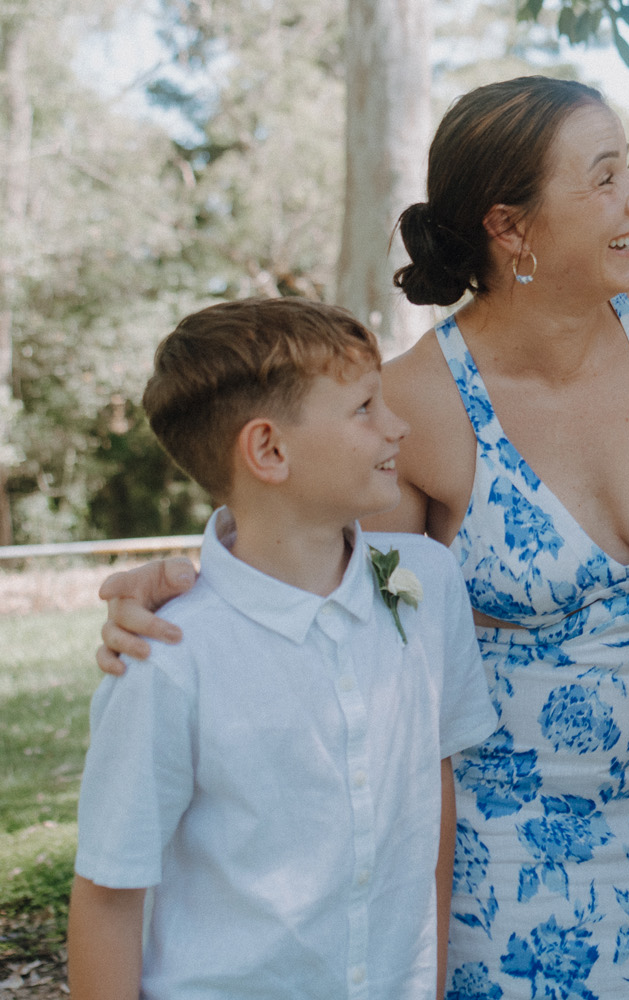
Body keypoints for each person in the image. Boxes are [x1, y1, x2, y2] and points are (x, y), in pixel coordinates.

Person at [99, 77, 629, 1000]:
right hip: (515, 854)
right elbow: (338, 585)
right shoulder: (413, 404)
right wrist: (182, 581)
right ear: (512, 227)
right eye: (606, 178)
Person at [69, 298, 497, 1000]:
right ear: (269, 450)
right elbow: (109, 898)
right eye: (364, 409)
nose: (397, 426)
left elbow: (434, 788)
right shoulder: (167, 658)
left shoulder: (429, 584)